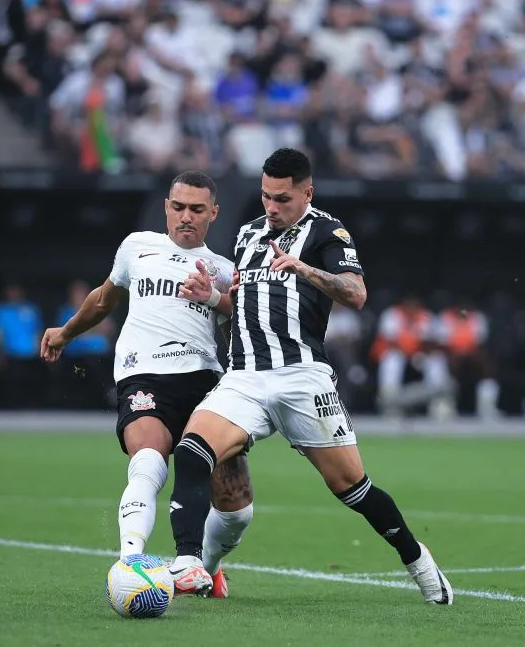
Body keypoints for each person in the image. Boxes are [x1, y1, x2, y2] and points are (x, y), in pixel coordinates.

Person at [164, 148, 452, 604]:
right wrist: (211, 297)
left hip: (302, 377)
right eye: (265, 197)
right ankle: (187, 561)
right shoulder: (248, 234)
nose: (271, 208)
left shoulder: (327, 231)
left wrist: (304, 268)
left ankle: (417, 558)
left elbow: (356, 294)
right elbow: (246, 307)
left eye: (282, 198)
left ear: (307, 192)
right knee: (192, 450)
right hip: (245, 378)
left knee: (352, 489)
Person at [40, 171, 253, 599]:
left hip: (205, 382)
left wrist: (216, 298)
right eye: (178, 207)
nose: (186, 216)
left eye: (196, 209)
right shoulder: (137, 247)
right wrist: (66, 332)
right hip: (144, 374)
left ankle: (204, 570)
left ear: (213, 213)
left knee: (237, 509)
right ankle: (131, 561)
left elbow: (244, 328)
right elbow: (104, 299)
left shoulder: (225, 270)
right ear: (166, 208)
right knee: (149, 458)